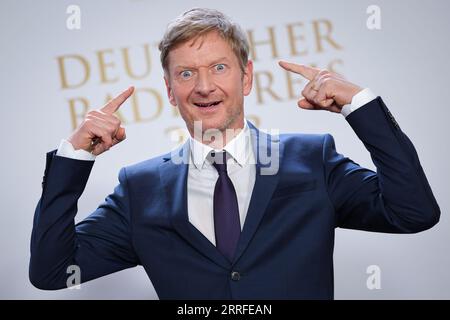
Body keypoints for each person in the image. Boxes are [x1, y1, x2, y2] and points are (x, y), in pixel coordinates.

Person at [29, 8, 440, 299]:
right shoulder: (140, 188)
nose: (204, 86)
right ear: (170, 90)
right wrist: (73, 158)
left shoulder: (313, 160)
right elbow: (52, 272)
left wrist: (360, 105)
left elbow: (414, 212)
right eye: (186, 73)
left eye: (219, 68)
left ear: (247, 78)